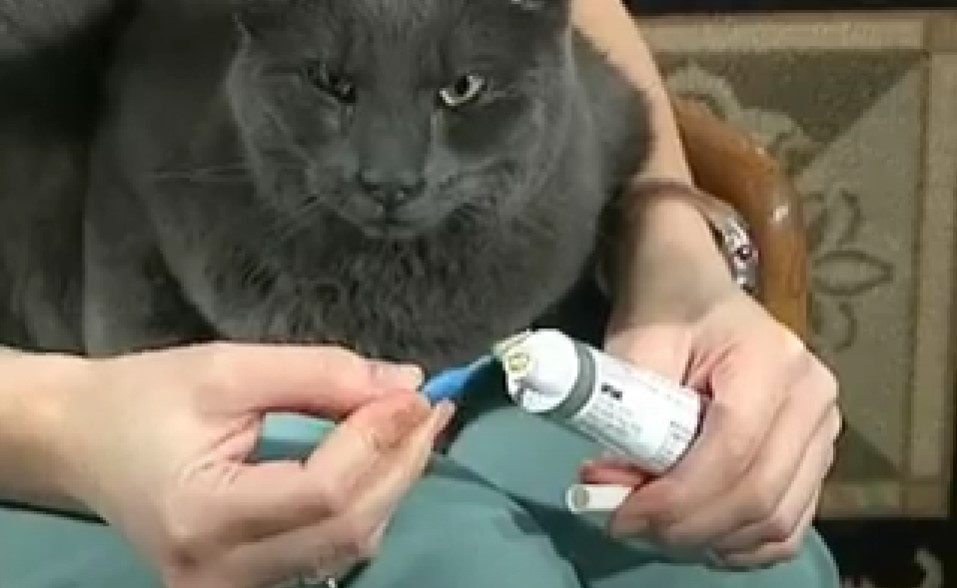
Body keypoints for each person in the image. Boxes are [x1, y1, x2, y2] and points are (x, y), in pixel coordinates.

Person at [0, 0, 842, 586]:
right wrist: (62, 426)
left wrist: (672, 259)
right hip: (45, 388)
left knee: (718, 556)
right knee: (452, 560)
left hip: (490, 337)